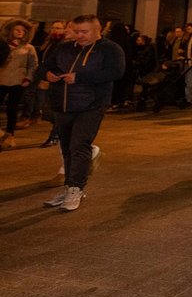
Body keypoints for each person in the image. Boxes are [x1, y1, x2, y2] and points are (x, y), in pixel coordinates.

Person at [42, 15, 125, 211]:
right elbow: (46, 65)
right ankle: (68, 186)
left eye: (84, 32)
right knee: (67, 148)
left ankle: (76, 188)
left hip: (91, 105)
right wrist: (49, 74)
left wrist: (79, 77)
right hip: (63, 104)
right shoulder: (64, 48)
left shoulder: (110, 49)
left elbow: (116, 72)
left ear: (98, 30)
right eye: (76, 31)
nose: (80, 36)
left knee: (79, 145)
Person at [0, 19, 38, 150]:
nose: (20, 32)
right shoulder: (3, 45)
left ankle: (10, 135)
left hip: (18, 81)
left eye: (23, 31)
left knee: (12, 108)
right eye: (17, 30)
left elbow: (33, 65)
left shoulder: (29, 48)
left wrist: (28, 78)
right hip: (2, 79)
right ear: (11, 31)